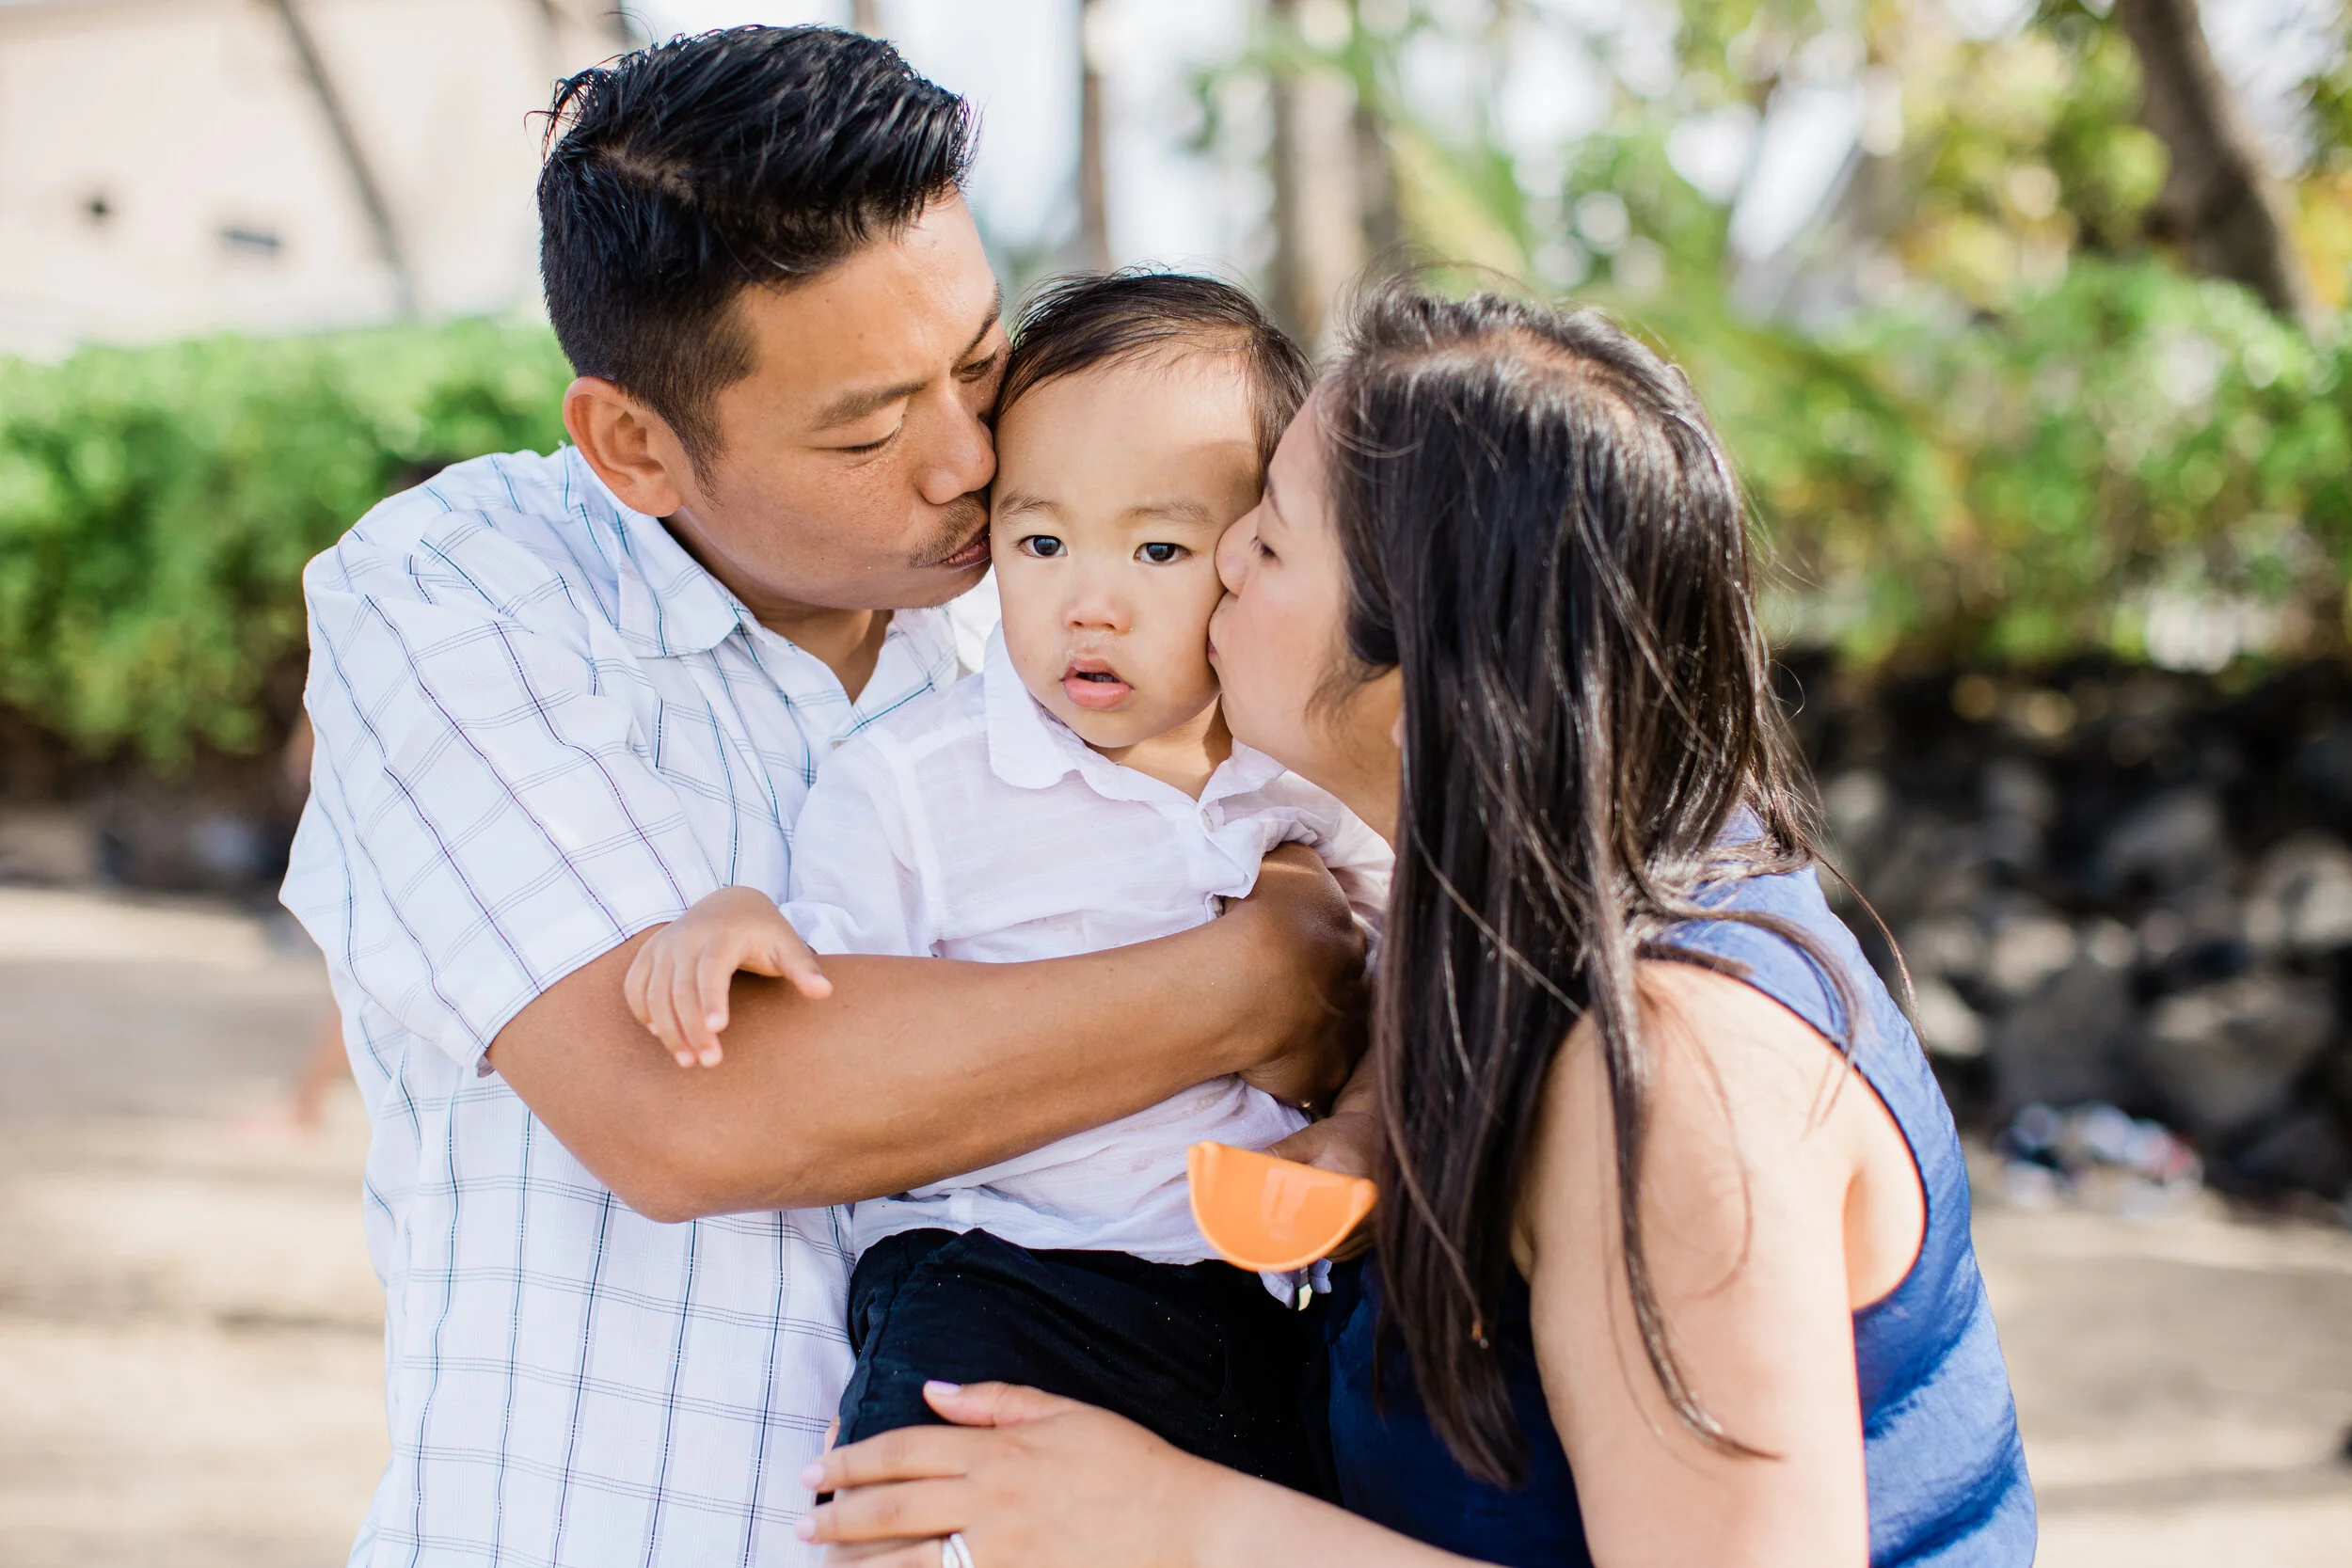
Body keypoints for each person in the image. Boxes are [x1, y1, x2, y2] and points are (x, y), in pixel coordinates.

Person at [278, 29, 1362, 1568]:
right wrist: (1259, 970)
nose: (974, 459)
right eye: (869, 427)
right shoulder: (464, 589)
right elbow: (685, 1107)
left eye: (981, 363)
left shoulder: (1059, 620)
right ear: (636, 444)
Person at [798, 287, 2039, 1567]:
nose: (1218, 560)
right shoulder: (1511, 924)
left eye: (1265, 543)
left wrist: (1175, 1519)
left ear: (1418, 696)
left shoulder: (1674, 1071)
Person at [627, 271, 1390, 1494]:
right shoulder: (922, 779)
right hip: (997, 1268)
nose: (1089, 601)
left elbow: (1400, 988)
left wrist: (1355, 1133)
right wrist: (738, 921)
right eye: (1041, 542)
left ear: (1254, 554)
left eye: (1158, 546)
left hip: (1246, 1294)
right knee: (930, 1511)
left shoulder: (1303, 778)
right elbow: (834, 999)